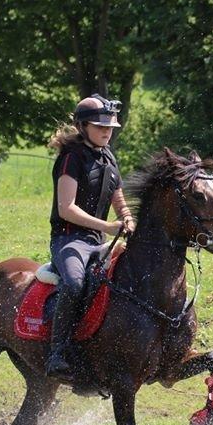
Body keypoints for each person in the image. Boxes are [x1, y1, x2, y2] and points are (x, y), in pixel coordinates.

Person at [45, 94, 135, 378]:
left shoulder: (108, 156)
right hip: (68, 240)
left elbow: (118, 200)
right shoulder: (71, 158)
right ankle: (57, 351)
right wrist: (108, 226)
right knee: (74, 284)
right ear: (83, 126)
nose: (107, 131)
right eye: (100, 126)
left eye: (110, 126)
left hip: (97, 244)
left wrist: (128, 219)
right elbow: (66, 208)